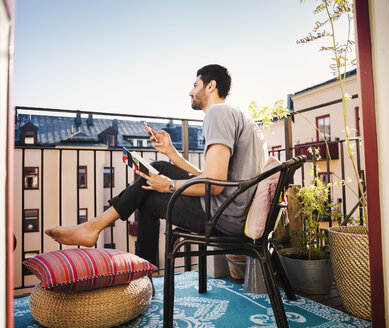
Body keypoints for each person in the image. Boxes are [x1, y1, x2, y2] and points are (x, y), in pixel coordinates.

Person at [45, 64, 267, 265]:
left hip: (224, 217)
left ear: (211, 86)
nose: (190, 91)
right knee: (159, 167)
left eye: (195, 84)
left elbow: (215, 184)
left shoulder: (217, 113)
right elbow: (212, 176)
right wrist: (172, 153)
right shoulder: (238, 116)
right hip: (233, 211)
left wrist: (169, 185)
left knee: (147, 199)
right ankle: (96, 231)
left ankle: (140, 271)